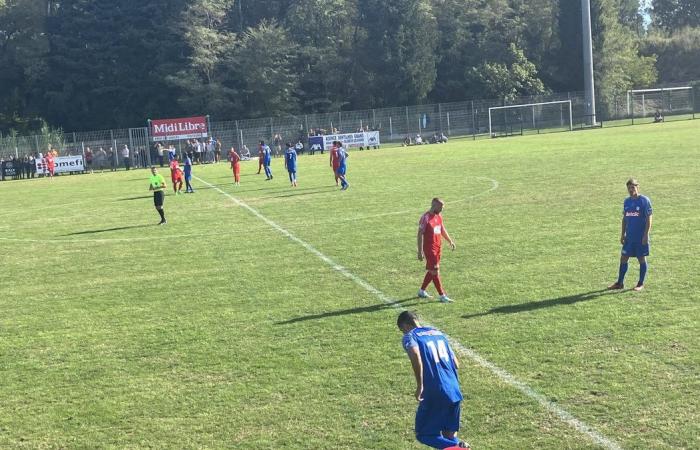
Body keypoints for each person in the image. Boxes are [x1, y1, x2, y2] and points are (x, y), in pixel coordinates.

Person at [397, 311, 470, 450]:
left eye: (401, 330)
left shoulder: (410, 336)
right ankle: (457, 446)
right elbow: (456, 363)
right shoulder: (437, 333)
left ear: (405, 325)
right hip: (454, 389)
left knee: (424, 434)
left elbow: (414, 353)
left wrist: (420, 385)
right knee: (449, 436)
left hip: (435, 392)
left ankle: (461, 448)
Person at [608, 178, 652, 291]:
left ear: (637, 187)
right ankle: (620, 283)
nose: (631, 190)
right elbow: (625, 219)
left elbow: (649, 218)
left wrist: (646, 235)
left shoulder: (644, 200)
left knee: (641, 258)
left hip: (640, 237)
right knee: (623, 258)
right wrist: (622, 234)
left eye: (632, 187)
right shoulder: (627, 201)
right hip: (629, 237)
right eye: (629, 188)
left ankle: (640, 283)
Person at [417, 198, 456, 302]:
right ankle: (442, 296)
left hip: (438, 247)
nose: (442, 209)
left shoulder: (438, 216)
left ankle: (421, 291)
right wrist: (420, 251)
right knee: (435, 271)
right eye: (441, 207)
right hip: (430, 249)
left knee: (432, 270)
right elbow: (420, 234)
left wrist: (450, 241)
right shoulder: (425, 218)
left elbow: (442, 229)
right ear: (434, 206)